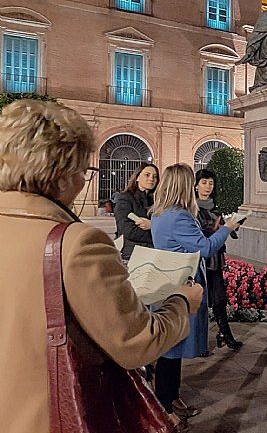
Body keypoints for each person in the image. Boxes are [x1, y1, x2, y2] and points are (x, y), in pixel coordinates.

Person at [0, 100, 202, 433]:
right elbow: (137, 342)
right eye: (83, 168)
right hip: (52, 413)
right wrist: (181, 303)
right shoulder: (76, 243)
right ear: (61, 175)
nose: (84, 179)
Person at [150, 163, 241, 430]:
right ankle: (166, 409)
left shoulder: (160, 213)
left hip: (166, 282)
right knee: (170, 349)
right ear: (183, 185)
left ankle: (173, 400)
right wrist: (228, 228)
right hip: (179, 286)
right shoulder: (179, 216)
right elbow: (205, 248)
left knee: (173, 345)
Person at [195, 168, 242, 351]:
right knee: (199, 300)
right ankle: (199, 342)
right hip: (199, 259)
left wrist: (231, 228)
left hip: (215, 258)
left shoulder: (216, 207)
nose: (208, 187)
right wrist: (216, 230)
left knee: (219, 299)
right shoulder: (192, 208)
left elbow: (222, 232)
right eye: (204, 182)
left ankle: (225, 333)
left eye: (211, 183)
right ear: (196, 185)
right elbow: (196, 235)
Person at [114, 162, 159, 261]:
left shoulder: (157, 200)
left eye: (155, 176)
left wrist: (153, 225)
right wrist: (157, 236)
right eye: (147, 175)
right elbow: (127, 230)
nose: (151, 179)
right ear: (137, 177)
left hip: (152, 254)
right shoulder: (125, 198)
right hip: (132, 255)